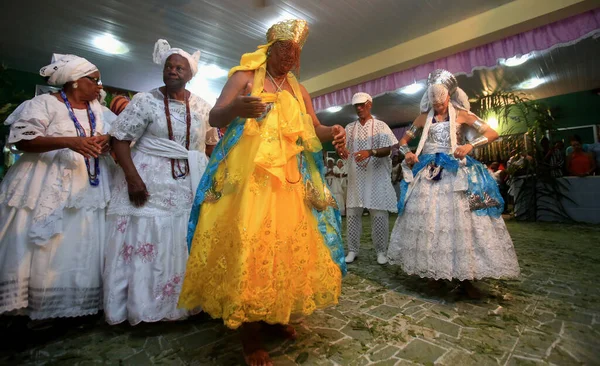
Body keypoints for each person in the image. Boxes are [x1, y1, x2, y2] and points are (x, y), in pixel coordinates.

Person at [178, 19, 347, 366]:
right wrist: (238, 108)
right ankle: (250, 334)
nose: (290, 57)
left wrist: (336, 131)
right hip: (247, 178)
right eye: (284, 50)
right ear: (270, 49)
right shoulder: (244, 76)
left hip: (287, 179)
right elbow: (214, 115)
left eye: (296, 52)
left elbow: (315, 128)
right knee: (250, 243)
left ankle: (275, 313)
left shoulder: (299, 89)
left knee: (284, 243)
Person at [102, 40, 212, 325]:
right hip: (149, 180)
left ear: (190, 74)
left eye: (180, 67)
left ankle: (189, 304)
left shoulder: (203, 106)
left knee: (185, 237)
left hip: (191, 182)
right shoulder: (144, 100)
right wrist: (133, 178)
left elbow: (210, 145)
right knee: (148, 237)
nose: (173, 71)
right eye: (169, 66)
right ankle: (147, 307)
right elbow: (120, 139)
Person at [387, 69, 520, 298]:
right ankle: (433, 275)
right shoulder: (422, 118)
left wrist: (470, 145)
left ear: (448, 96)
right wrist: (407, 152)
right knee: (430, 224)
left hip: (456, 174)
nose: (437, 107)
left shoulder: (462, 114)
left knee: (464, 225)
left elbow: (492, 132)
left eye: (440, 102)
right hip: (428, 174)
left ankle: (466, 277)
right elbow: (403, 141)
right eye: (433, 103)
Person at [0, 54, 111, 319]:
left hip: (89, 185)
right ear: (74, 81)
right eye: (94, 81)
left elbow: (116, 139)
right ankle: (30, 307)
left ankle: (71, 305)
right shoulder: (43, 104)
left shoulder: (101, 111)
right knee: (44, 242)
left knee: (81, 239)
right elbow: (22, 141)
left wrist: (106, 142)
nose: (99, 87)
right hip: (45, 181)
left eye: (100, 82)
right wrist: (70, 142)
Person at [344, 92, 398, 265]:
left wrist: (370, 152)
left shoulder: (381, 126)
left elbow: (388, 149)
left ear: (369, 104)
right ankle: (352, 250)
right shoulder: (349, 128)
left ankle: (381, 251)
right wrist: (341, 151)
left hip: (376, 176)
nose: (359, 108)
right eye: (356, 106)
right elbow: (344, 151)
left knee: (379, 214)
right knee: (352, 214)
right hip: (356, 177)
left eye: (362, 105)